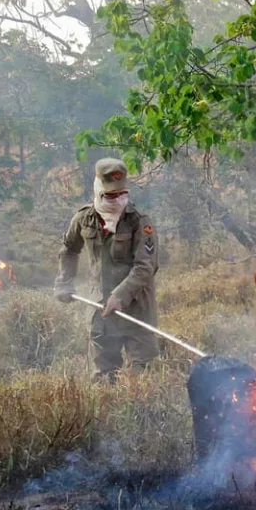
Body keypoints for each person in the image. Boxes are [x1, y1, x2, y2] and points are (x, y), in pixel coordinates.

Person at [54, 158, 159, 381]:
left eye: (121, 194)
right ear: (98, 189)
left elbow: (146, 266)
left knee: (142, 379)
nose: (116, 200)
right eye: (110, 195)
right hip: (101, 311)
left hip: (137, 310)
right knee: (103, 378)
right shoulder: (84, 219)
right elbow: (69, 249)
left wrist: (120, 296)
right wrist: (64, 282)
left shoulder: (140, 222)